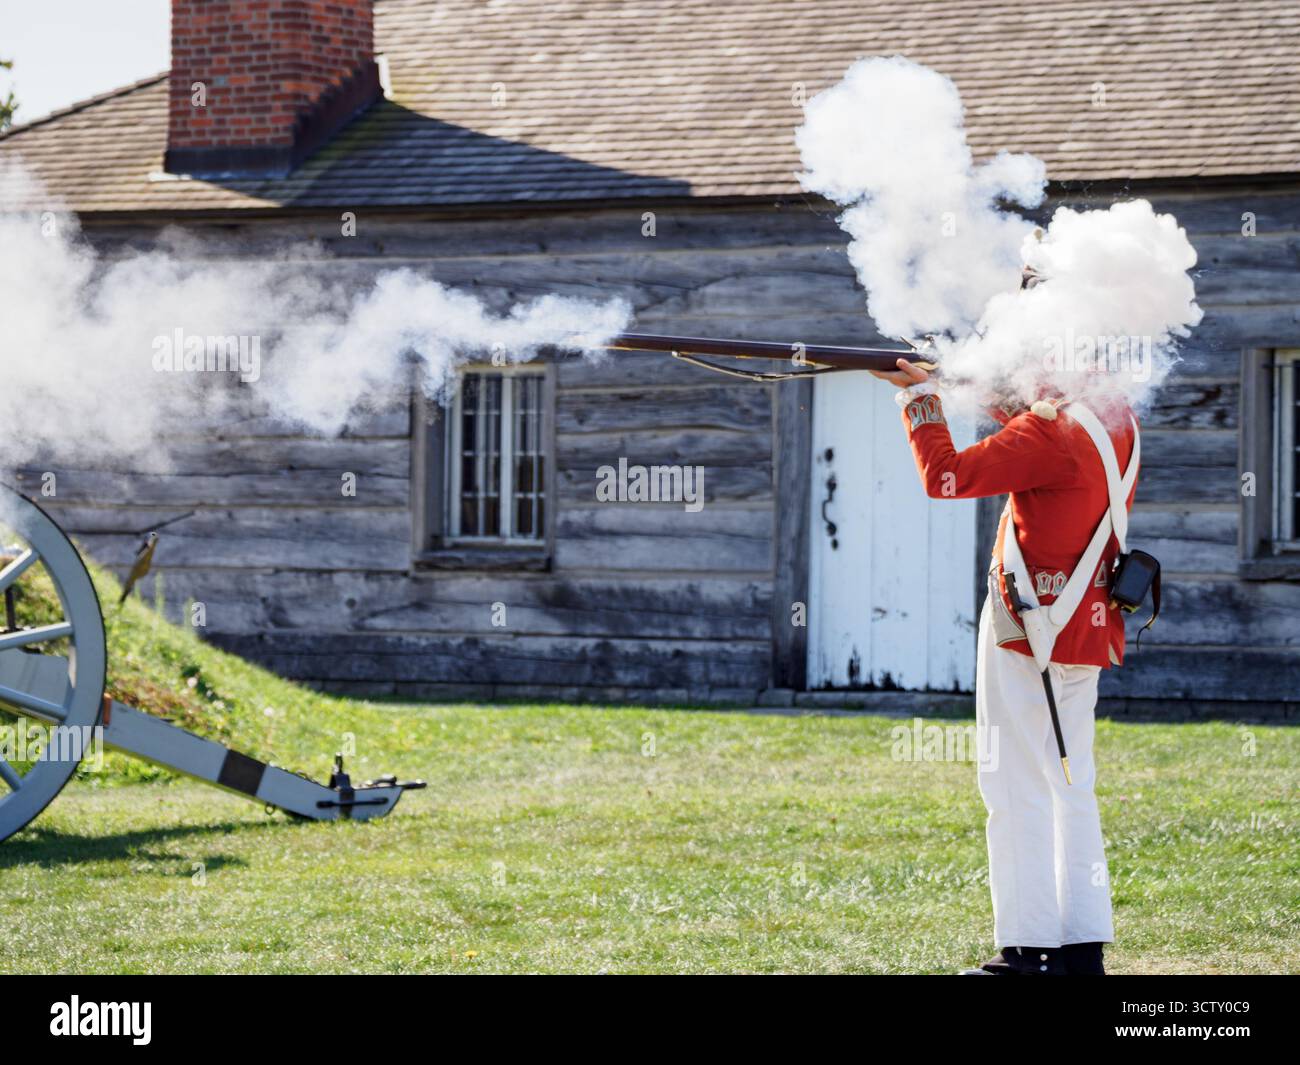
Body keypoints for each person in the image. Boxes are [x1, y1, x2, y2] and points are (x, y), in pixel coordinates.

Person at [870, 355, 1137, 976]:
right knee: (1070, 783)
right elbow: (1023, 418)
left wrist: (923, 401)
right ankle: (1078, 948)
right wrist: (945, 373)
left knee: (1013, 784)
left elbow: (944, 478)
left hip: (1029, 628)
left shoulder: (1050, 432)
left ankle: (1028, 951)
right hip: (1083, 626)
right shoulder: (1114, 413)